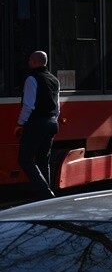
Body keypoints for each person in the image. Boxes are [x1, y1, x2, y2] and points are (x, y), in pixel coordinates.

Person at [16, 50, 60, 200]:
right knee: (43, 159)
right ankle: (45, 197)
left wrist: (20, 123)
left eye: (29, 61)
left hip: (36, 123)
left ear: (34, 62)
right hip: (52, 123)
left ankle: (46, 194)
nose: (28, 63)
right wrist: (53, 120)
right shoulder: (54, 79)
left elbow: (28, 105)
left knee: (25, 159)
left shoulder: (31, 79)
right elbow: (57, 106)